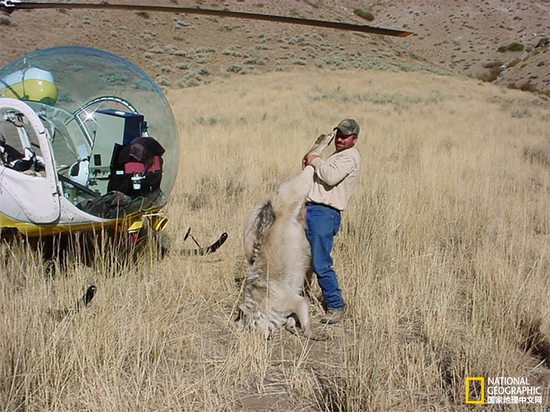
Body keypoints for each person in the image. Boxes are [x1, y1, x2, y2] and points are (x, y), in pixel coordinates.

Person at [302, 118, 361, 324]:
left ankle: (335, 305)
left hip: (324, 214)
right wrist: (310, 164)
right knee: (301, 258)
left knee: (320, 262)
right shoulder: (337, 155)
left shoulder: (349, 157)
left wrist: (315, 160)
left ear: (355, 138)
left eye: (346, 136)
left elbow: (329, 177)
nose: (340, 139)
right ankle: (298, 297)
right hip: (311, 210)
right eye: (339, 134)